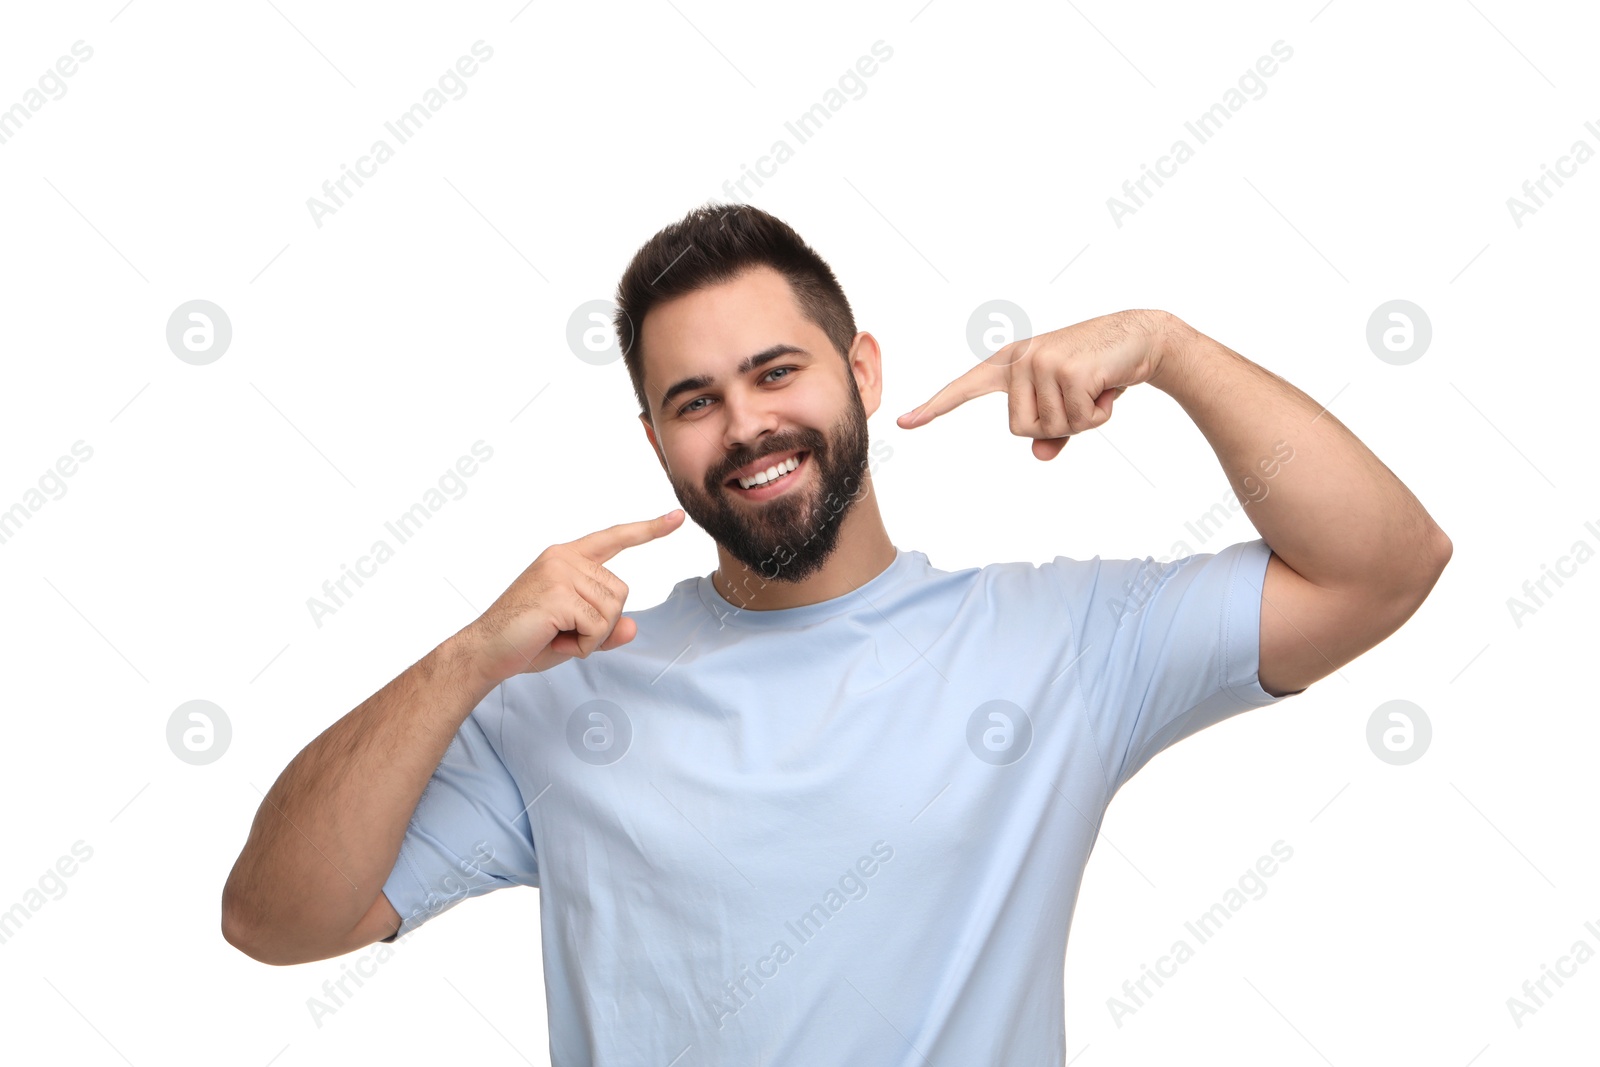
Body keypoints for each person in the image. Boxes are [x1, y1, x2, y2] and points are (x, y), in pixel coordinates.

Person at [221, 204, 1451, 1064]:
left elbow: (1384, 567)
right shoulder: (559, 694)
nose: (747, 425)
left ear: (861, 370)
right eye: (694, 400)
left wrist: (1169, 348)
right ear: (654, 438)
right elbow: (276, 920)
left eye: (777, 372)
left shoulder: (1061, 642)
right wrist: (465, 658)